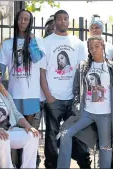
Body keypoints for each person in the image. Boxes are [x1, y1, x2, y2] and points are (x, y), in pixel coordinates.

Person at [57, 35, 113, 168]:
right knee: (65, 134)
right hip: (86, 113)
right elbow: (76, 89)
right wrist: (77, 106)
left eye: (97, 46)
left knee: (105, 149)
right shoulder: (83, 66)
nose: (93, 50)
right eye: (91, 47)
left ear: (103, 46)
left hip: (106, 115)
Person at [0, 9, 46, 168]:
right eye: (21, 19)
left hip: (31, 95)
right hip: (14, 95)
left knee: (29, 134)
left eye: (26, 19)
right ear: (16, 21)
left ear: (30, 23)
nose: (23, 22)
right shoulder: (7, 44)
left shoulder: (36, 41)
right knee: (13, 133)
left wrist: (31, 43)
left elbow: (37, 59)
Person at [40, 9, 91, 168]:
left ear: (69, 21)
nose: (63, 21)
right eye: (59, 19)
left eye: (66, 19)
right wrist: (48, 96)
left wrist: (82, 96)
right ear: (55, 22)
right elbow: (42, 71)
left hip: (73, 98)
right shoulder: (46, 42)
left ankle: (84, 162)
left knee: (79, 133)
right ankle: (52, 164)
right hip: (53, 98)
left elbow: (84, 71)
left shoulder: (77, 43)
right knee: (51, 134)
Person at [0, 62, 40, 168]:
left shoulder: (5, 94)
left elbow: (16, 114)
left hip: (8, 131)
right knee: (3, 139)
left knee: (33, 136)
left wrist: (28, 126)